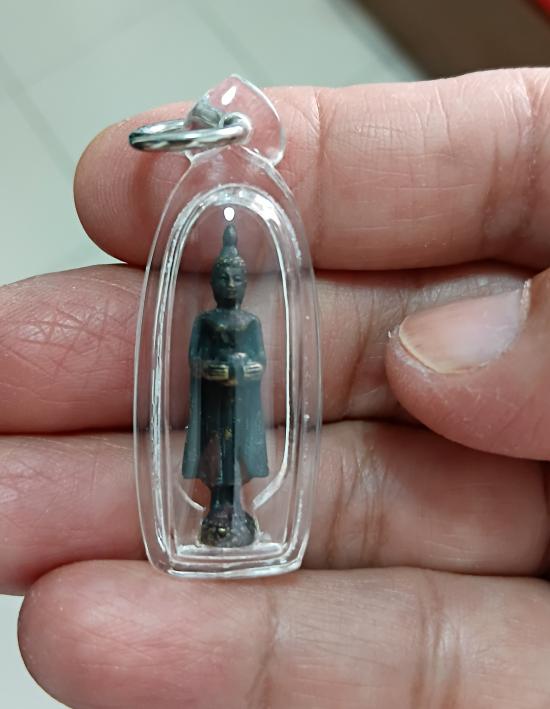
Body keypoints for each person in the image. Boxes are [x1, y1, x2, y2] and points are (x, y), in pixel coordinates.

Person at [3, 67, 550, 707]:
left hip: (242, 406)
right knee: (214, 466)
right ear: (219, 283)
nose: (233, 286)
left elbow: (260, 363)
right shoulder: (209, 320)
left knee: (238, 466)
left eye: (238, 279)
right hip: (213, 406)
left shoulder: (249, 322)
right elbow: (194, 357)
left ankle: (234, 516)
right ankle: (217, 517)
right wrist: (216, 373)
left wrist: (241, 373)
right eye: (227, 279)